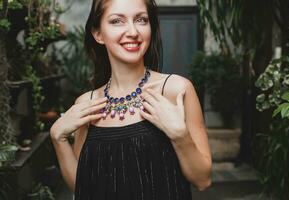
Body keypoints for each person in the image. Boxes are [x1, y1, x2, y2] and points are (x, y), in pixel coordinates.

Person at [50, 0, 212, 199]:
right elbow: (83, 186)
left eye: (141, 20)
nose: (133, 31)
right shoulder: (86, 104)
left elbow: (203, 180)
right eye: (117, 21)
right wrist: (58, 138)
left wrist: (180, 135)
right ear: (98, 34)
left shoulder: (176, 89)